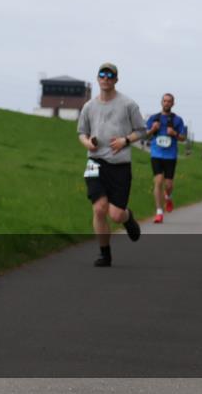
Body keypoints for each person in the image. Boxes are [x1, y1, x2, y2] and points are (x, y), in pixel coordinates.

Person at [77, 62, 146, 267]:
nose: (106, 78)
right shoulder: (89, 106)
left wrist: (125, 140)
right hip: (94, 162)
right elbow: (81, 133)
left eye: (110, 75)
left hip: (119, 164)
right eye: (102, 74)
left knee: (115, 214)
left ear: (116, 80)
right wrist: (88, 143)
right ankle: (104, 254)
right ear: (98, 78)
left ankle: (127, 217)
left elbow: (142, 131)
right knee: (99, 209)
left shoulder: (128, 105)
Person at [144, 93, 187, 222]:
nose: (167, 103)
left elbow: (183, 138)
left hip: (170, 156)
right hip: (156, 154)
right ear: (161, 102)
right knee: (158, 181)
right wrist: (152, 130)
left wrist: (174, 133)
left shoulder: (177, 120)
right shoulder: (153, 118)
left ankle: (168, 197)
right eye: (165, 101)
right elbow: (145, 135)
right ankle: (159, 212)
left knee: (168, 184)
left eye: (169, 101)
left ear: (173, 104)